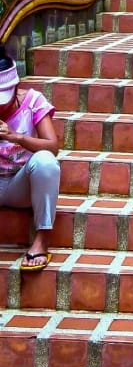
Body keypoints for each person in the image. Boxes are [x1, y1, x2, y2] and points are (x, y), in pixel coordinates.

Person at [0, 44, 59, 272]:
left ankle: (42, 239)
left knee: (45, 160)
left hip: (21, 184)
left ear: (16, 88)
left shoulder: (33, 101)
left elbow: (52, 147)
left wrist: (17, 137)